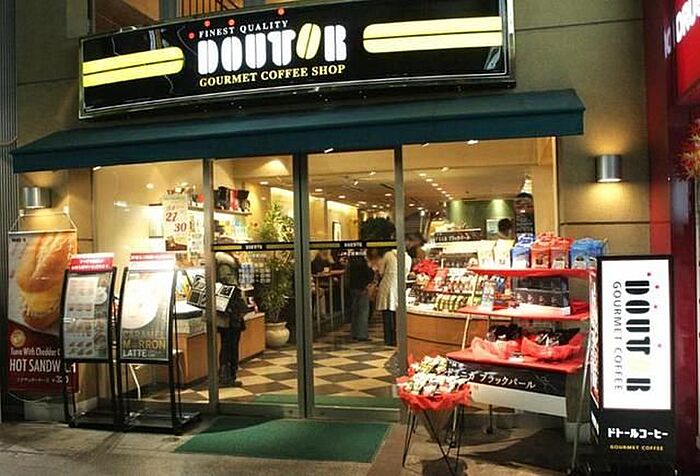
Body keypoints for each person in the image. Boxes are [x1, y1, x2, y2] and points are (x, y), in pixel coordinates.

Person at [215, 252, 248, 387]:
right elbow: (232, 287)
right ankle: (227, 376)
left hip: (225, 313)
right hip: (230, 314)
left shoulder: (220, 264)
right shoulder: (226, 265)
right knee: (230, 345)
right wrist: (241, 304)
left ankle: (226, 375)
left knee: (227, 344)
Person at [373, 247, 412, 347]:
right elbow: (406, 273)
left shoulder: (388, 255)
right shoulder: (408, 258)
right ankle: (397, 338)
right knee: (398, 315)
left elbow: (381, 271)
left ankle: (388, 339)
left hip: (387, 286)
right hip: (399, 287)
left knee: (387, 314)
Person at [346, 252, 376, 341]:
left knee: (355, 311)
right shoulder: (364, 263)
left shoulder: (351, 263)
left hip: (353, 288)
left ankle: (354, 333)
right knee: (363, 312)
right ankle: (362, 334)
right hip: (363, 288)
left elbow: (348, 277)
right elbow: (370, 274)